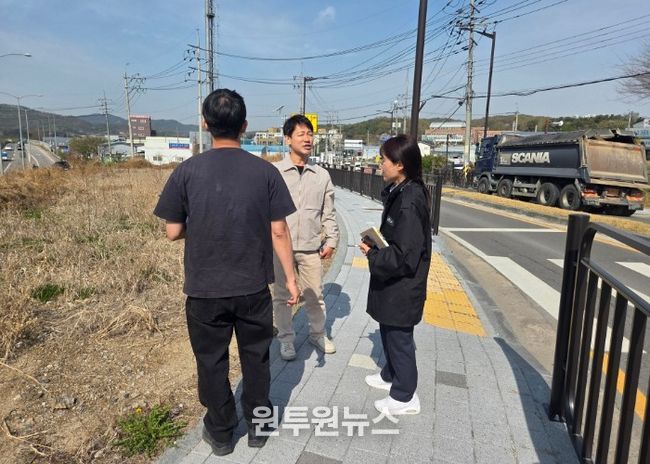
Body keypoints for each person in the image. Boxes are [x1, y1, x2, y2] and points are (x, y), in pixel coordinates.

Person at [153, 89, 300, 455]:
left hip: (204, 290)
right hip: (253, 288)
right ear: (244, 126)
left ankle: (220, 434)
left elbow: (172, 231)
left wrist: (201, 224)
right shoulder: (265, 172)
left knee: (211, 362)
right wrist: (291, 278)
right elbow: (279, 230)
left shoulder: (186, 171)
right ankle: (259, 427)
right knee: (257, 358)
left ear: (205, 124)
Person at [359, 135, 431, 416]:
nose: (380, 165)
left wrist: (373, 254)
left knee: (400, 338)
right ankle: (390, 374)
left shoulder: (410, 200)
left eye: (384, 160)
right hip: (394, 283)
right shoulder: (401, 190)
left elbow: (405, 255)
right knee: (389, 330)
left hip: (403, 284)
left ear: (400, 164)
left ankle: (404, 396)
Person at [272, 114, 339, 361]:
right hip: (281, 248)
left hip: (311, 247)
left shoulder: (321, 175)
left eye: (310, 134)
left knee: (314, 295)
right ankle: (286, 340)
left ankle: (318, 334)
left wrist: (331, 239)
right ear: (288, 139)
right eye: (301, 134)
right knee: (282, 297)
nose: (307, 139)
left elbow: (328, 212)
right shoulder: (275, 172)